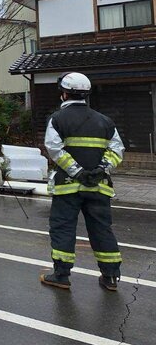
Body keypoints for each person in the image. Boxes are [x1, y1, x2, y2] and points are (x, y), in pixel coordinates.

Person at [40, 72, 124, 291]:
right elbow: (117, 150)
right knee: (101, 229)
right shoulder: (105, 121)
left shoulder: (57, 119)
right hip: (99, 187)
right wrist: (101, 169)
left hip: (68, 186)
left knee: (63, 228)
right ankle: (111, 277)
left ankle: (61, 275)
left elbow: (54, 149)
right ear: (86, 95)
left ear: (64, 94)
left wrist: (76, 171)